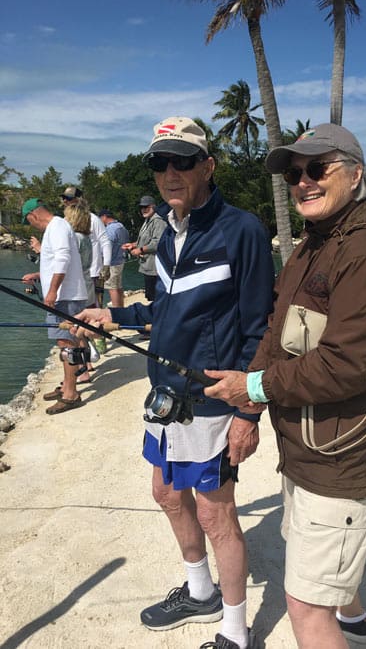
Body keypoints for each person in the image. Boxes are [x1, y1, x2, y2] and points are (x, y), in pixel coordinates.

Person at [204, 123, 366, 649]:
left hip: (340, 457)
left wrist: (253, 388)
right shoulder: (314, 243)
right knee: (317, 572)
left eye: (317, 168)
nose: (303, 181)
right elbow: (277, 331)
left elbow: (349, 363)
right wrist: (249, 407)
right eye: (296, 173)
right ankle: (358, 620)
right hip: (307, 445)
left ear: (355, 174)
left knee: (305, 606)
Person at [76, 116, 274, 649]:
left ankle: (235, 632)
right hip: (164, 391)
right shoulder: (167, 231)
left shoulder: (243, 231)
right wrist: (116, 318)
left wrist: (249, 413)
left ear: (207, 166)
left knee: (216, 512)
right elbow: (167, 308)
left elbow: (262, 329)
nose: (170, 171)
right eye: (160, 162)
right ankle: (200, 590)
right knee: (165, 491)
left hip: (212, 401)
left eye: (183, 160)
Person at [21, 197, 88, 415]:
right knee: (70, 341)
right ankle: (67, 386)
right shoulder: (58, 227)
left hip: (64, 297)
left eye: (29, 221)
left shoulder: (57, 226)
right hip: (66, 294)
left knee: (65, 342)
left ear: (34, 215)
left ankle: (70, 395)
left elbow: (63, 259)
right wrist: (39, 276)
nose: (31, 225)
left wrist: (52, 291)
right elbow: (56, 263)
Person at [61, 187, 112, 308]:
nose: (64, 201)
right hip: (72, 274)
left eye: (68, 198)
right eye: (63, 198)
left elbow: (105, 242)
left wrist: (106, 266)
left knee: (94, 306)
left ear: (79, 199)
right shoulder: (64, 220)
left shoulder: (93, 219)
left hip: (92, 272)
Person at [64, 202, 96, 383]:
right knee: (80, 327)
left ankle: (82, 370)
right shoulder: (86, 237)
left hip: (76, 287)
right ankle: (87, 364)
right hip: (87, 283)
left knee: (74, 329)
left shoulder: (74, 238)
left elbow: (66, 264)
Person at [122, 195, 167, 302]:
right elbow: (145, 239)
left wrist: (140, 250)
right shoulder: (148, 220)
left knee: (155, 297)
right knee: (150, 296)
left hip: (155, 267)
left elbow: (158, 242)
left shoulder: (158, 221)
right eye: (142, 207)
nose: (143, 209)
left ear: (153, 206)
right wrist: (133, 245)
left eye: (146, 207)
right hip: (148, 267)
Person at [97, 209, 129, 307]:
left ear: (104, 217)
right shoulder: (121, 227)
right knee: (118, 286)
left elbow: (107, 246)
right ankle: (121, 308)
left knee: (112, 288)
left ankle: (116, 311)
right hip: (120, 260)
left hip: (112, 262)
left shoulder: (110, 229)